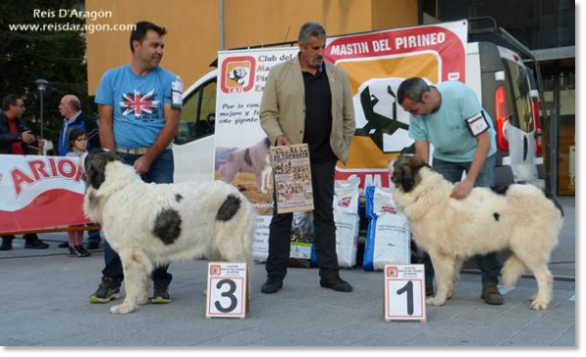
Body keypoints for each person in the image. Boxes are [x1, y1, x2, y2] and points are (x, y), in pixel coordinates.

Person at [259, 22, 355, 294]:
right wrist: (278, 136)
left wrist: (341, 146)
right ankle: (275, 275)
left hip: (325, 158)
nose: (319, 52)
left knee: (325, 216)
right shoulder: (279, 74)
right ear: (300, 46)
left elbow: (348, 117)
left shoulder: (338, 76)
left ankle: (330, 275)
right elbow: (267, 113)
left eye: (323, 47)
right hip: (291, 157)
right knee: (282, 217)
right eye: (314, 48)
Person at [89, 21, 182, 304]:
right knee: (115, 220)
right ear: (136, 45)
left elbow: (172, 124)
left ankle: (161, 282)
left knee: (163, 219)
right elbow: (105, 122)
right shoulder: (111, 79)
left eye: (162, 46)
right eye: (155, 45)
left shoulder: (171, 80)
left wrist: (149, 157)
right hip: (120, 156)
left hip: (158, 158)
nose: (160, 51)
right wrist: (113, 161)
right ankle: (111, 280)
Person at [397, 77, 504, 305]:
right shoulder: (415, 112)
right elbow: (422, 154)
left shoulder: (461, 96)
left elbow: (483, 140)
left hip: (479, 154)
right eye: (409, 111)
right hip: (445, 157)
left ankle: (490, 284)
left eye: (414, 110)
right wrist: (420, 191)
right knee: (429, 221)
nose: (413, 115)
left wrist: (469, 181)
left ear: (426, 97)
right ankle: (426, 282)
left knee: (483, 219)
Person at [0, 95, 49, 251]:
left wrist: (36, 141)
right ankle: (6, 238)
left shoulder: (21, 121)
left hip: (22, 168)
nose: (23, 108)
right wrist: (17, 137)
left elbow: (27, 137)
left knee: (28, 201)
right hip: (5, 168)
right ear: (10, 107)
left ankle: (31, 237)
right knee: (7, 203)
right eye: (20, 105)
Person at [56, 94, 103, 250]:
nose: (59, 107)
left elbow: (96, 142)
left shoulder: (87, 121)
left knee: (88, 201)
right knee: (72, 206)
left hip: (85, 168)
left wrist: (92, 162)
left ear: (70, 106)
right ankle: (73, 240)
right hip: (67, 170)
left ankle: (93, 237)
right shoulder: (64, 122)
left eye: (62, 104)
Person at [63, 128, 91, 258]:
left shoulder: (88, 155)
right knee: (73, 220)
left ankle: (79, 243)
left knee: (81, 219)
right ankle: (71, 245)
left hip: (85, 191)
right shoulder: (70, 157)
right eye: (79, 140)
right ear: (72, 142)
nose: (83, 142)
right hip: (73, 191)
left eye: (85, 139)